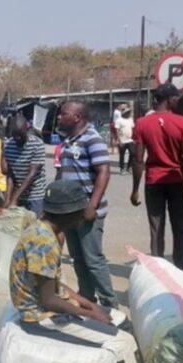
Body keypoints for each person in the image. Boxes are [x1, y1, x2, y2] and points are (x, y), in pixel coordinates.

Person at [10, 179, 183, 363]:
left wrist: (90, 303)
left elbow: (53, 284)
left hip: (49, 306)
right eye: (81, 211)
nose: (85, 215)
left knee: (121, 320)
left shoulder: (46, 229)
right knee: (121, 343)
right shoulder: (43, 241)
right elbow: (48, 300)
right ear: (68, 213)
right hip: (40, 317)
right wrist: (90, 314)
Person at [55, 100, 117, 308]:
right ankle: (87, 298)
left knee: (93, 260)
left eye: (63, 114)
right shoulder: (67, 141)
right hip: (69, 212)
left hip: (88, 211)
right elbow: (62, 174)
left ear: (77, 117)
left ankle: (110, 304)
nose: (59, 117)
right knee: (77, 259)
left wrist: (92, 205)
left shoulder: (92, 139)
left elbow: (103, 172)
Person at [131, 83, 183, 271]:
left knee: (156, 227)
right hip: (177, 180)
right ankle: (182, 268)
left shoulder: (142, 123)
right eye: (177, 98)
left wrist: (135, 189)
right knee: (181, 226)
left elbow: (138, 159)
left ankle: (158, 268)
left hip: (153, 181)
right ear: (170, 99)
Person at [4, 114, 47, 215]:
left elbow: (31, 174)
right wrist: (8, 197)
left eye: (20, 134)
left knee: (34, 226)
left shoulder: (37, 144)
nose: (17, 138)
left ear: (26, 129)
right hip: (18, 193)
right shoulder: (8, 145)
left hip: (35, 195)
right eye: (14, 135)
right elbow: (10, 175)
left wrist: (14, 198)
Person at [115, 106, 136, 174]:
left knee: (133, 153)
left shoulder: (130, 119)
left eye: (129, 112)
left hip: (130, 140)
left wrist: (134, 138)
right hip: (122, 140)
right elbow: (117, 130)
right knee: (122, 155)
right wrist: (119, 141)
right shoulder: (119, 120)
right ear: (124, 113)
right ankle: (122, 168)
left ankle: (129, 167)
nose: (129, 114)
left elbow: (133, 128)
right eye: (127, 112)